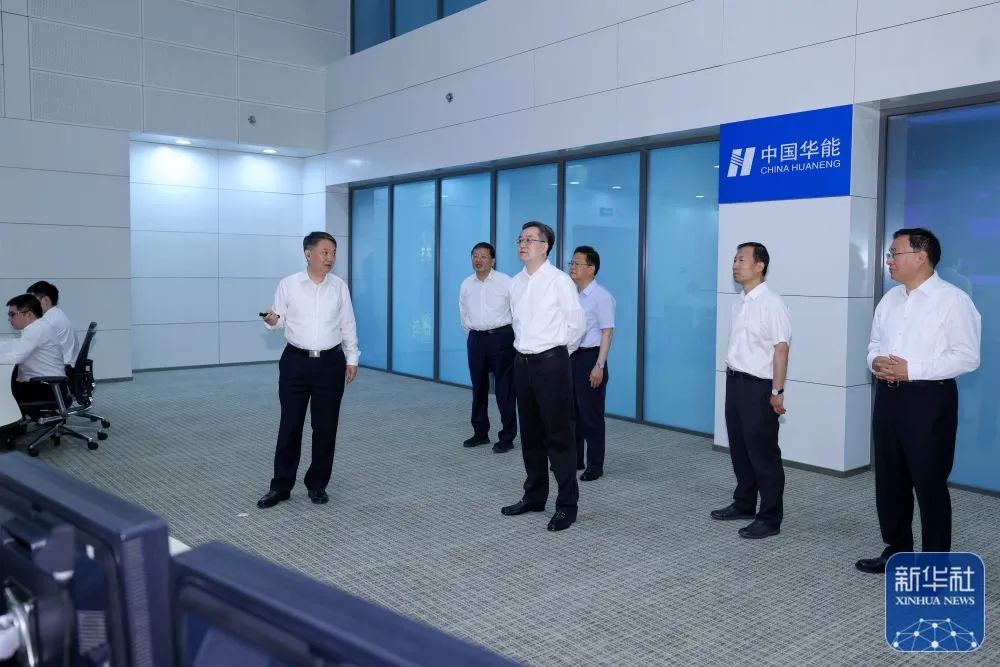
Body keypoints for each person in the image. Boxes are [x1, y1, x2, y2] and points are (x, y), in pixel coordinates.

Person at [856, 228, 981, 574]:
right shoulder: (889, 300)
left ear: (921, 257)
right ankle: (897, 550)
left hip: (929, 400)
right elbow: (873, 345)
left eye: (895, 253)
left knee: (929, 483)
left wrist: (913, 370)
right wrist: (875, 362)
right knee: (890, 480)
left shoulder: (953, 300)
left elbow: (967, 356)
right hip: (888, 398)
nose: (889, 260)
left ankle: (934, 565)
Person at [257, 232, 360, 509]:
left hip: (330, 363)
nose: (330, 258)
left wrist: (352, 358)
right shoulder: (289, 284)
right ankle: (281, 486)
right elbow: (277, 320)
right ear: (308, 253)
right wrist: (271, 319)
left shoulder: (339, 287)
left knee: (325, 427)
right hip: (296, 362)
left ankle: (317, 484)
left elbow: (348, 324)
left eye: (333, 253)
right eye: (325, 252)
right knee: (290, 425)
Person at [501, 222, 585, 532]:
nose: (523, 244)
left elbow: (577, 325)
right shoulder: (515, 283)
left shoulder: (559, 281)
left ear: (545, 246)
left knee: (559, 435)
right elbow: (516, 323)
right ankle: (535, 496)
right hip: (522, 363)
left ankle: (567, 505)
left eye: (530, 240)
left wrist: (556, 355)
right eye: (520, 239)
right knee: (531, 434)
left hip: (551, 363)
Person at [711, 242, 790, 539]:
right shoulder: (740, 303)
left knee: (763, 453)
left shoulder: (772, 303)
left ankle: (770, 517)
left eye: (742, 259)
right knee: (740, 448)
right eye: (734, 259)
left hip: (759, 387)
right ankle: (744, 503)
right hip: (735, 381)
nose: (735, 264)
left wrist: (777, 390)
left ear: (760, 265)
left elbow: (781, 349)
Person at [458, 242, 517, 453]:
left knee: (505, 388)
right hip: (476, 339)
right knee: (479, 387)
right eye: (475, 255)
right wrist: (475, 334)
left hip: (501, 338)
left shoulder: (506, 282)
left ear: (492, 261)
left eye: (483, 256)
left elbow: (517, 311)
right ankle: (480, 433)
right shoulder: (466, 284)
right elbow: (463, 313)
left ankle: (507, 436)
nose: (478, 260)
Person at [567, 246, 615, 481]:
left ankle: (595, 465)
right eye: (571, 263)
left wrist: (599, 365)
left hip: (591, 358)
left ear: (591, 268)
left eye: (577, 263)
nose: (572, 267)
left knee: (590, 415)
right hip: (571, 357)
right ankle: (576, 459)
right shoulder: (571, 294)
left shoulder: (601, 297)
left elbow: (607, 332)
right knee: (571, 413)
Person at [1, 294, 67, 410]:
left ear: (28, 314)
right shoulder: (38, 326)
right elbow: (15, 344)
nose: (9, 319)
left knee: (3, 391)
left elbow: (14, 358)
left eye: (12, 314)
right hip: (47, 385)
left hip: (45, 388)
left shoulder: (35, 330)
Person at [26, 281, 78, 366]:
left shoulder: (49, 321)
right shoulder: (56, 314)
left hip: (59, 368)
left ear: (46, 300)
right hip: (63, 364)